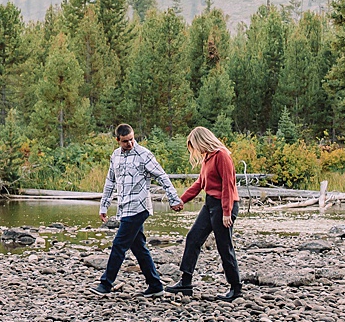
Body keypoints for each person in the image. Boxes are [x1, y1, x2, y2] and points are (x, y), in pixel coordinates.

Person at [95, 123, 182, 295]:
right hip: (124, 207)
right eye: (126, 141)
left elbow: (162, 176)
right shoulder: (115, 156)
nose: (130, 144)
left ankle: (105, 284)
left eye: (132, 139)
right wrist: (103, 205)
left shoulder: (144, 155)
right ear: (118, 140)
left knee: (119, 245)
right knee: (139, 247)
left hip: (139, 206)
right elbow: (110, 182)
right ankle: (155, 285)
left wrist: (174, 198)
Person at [165, 126, 242, 300]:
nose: (196, 150)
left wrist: (226, 212)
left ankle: (236, 288)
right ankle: (185, 282)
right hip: (210, 205)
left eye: (195, 146)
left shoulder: (222, 155)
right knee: (193, 238)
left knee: (224, 246)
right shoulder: (207, 158)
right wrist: (181, 200)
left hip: (224, 205)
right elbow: (200, 184)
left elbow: (228, 185)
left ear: (202, 141)